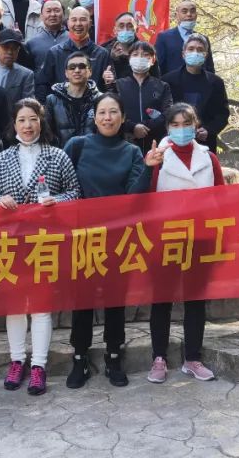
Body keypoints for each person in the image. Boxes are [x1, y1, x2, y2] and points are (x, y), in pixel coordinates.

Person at [0, 99, 80, 396]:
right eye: (21, 120)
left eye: (33, 119)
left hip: (46, 240)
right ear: (13, 124)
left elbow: (75, 192)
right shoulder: (1, 159)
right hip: (11, 241)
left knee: (41, 306)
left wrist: (58, 201)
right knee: (15, 306)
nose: (27, 125)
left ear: (41, 122)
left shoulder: (58, 156)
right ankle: (17, 361)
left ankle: (39, 365)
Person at [62, 93, 152, 389]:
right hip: (83, 237)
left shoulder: (132, 152)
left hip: (118, 237)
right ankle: (79, 358)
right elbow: (64, 186)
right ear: (94, 116)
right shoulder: (77, 145)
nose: (107, 118)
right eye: (102, 112)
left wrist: (149, 168)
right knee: (82, 300)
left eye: (114, 112)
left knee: (115, 300)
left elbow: (135, 197)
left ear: (123, 117)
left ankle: (114, 356)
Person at [143, 102, 221, 383]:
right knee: (162, 299)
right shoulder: (159, 157)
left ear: (195, 125)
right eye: (174, 125)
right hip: (165, 238)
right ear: (167, 128)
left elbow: (222, 198)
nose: (181, 130)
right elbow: (146, 197)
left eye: (186, 124)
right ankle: (159, 358)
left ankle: (193, 358)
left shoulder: (209, 158)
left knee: (195, 300)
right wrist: (148, 167)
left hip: (200, 237)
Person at [162, 33, 229, 152]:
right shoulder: (168, 80)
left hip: (205, 144)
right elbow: (163, 112)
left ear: (205, 55)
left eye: (200, 49)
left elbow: (222, 114)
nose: (195, 52)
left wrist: (209, 130)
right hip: (173, 142)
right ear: (183, 54)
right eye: (191, 49)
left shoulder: (216, 82)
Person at [37, 7, 110, 101]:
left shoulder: (102, 54)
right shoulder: (55, 52)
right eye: (74, 20)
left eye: (82, 19)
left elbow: (108, 88)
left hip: (93, 106)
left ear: (90, 23)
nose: (78, 24)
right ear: (68, 23)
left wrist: (110, 83)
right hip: (62, 106)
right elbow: (42, 85)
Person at [112, 41, 172, 152]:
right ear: (129, 59)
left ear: (153, 60)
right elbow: (113, 112)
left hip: (155, 145)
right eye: (135, 54)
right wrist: (133, 127)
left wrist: (144, 126)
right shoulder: (118, 85)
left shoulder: (162, 86)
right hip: (125, 144)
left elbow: (167, 114)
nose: (140, 58)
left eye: (145, 55)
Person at [45, 51, 100, 146]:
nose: (77, 70)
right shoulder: (52, 100)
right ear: (66, 73)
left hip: (92, 152)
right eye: (72, 67)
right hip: (62, 153)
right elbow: (47, 133)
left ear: (90, 71)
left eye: (82, 66)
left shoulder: (100, 99)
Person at [155, 0, 214, 74]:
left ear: (196, 15)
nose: (189, 14)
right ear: (176, 15)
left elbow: (209, 68)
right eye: (184, 11)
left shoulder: (203, 39)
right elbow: (159, 66)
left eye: (192, 11)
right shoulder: (164, 37)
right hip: (172, 80)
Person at [102, 13, 158, 81]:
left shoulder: (147, 50)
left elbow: (156, 80)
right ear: (115, 30)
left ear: (136, 29)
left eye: (130, 26)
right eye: (121, 26)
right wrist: (112, 60)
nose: (125, 29)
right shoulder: (104, 51)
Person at [0, 29, 35, 104]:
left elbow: (28, 105)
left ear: (18, 50)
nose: (10, 52)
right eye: (5, 47)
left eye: (14, 48)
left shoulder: (26, 75)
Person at [25, 0, 68, 75]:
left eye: (57, 10)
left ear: (63, 14)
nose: (53, 14)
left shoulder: (73, 39)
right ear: (41, 16)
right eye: (48, 11)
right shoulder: (32, 43)